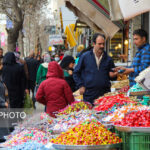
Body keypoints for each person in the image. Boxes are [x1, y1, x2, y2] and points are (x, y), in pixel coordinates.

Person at [73, 33, 118, 104]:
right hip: (89, 95)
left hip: (104, 95)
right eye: (99, 44)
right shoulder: (85, 57)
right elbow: (76, 72)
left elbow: (112, 76)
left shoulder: (108, 59)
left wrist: (114, 75)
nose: (102, 46)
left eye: (103, 44)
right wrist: (81, 85)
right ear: (93, 44)